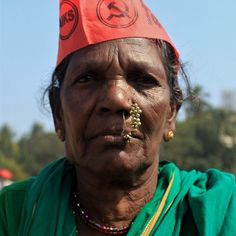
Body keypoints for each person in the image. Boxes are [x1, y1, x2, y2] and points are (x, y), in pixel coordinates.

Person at [0, 0, 235, 235]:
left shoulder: (219, 212)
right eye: (88, 78)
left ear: (171, 112)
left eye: (143, 79)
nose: (117, 99)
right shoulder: (13, 213)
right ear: (58, 112)